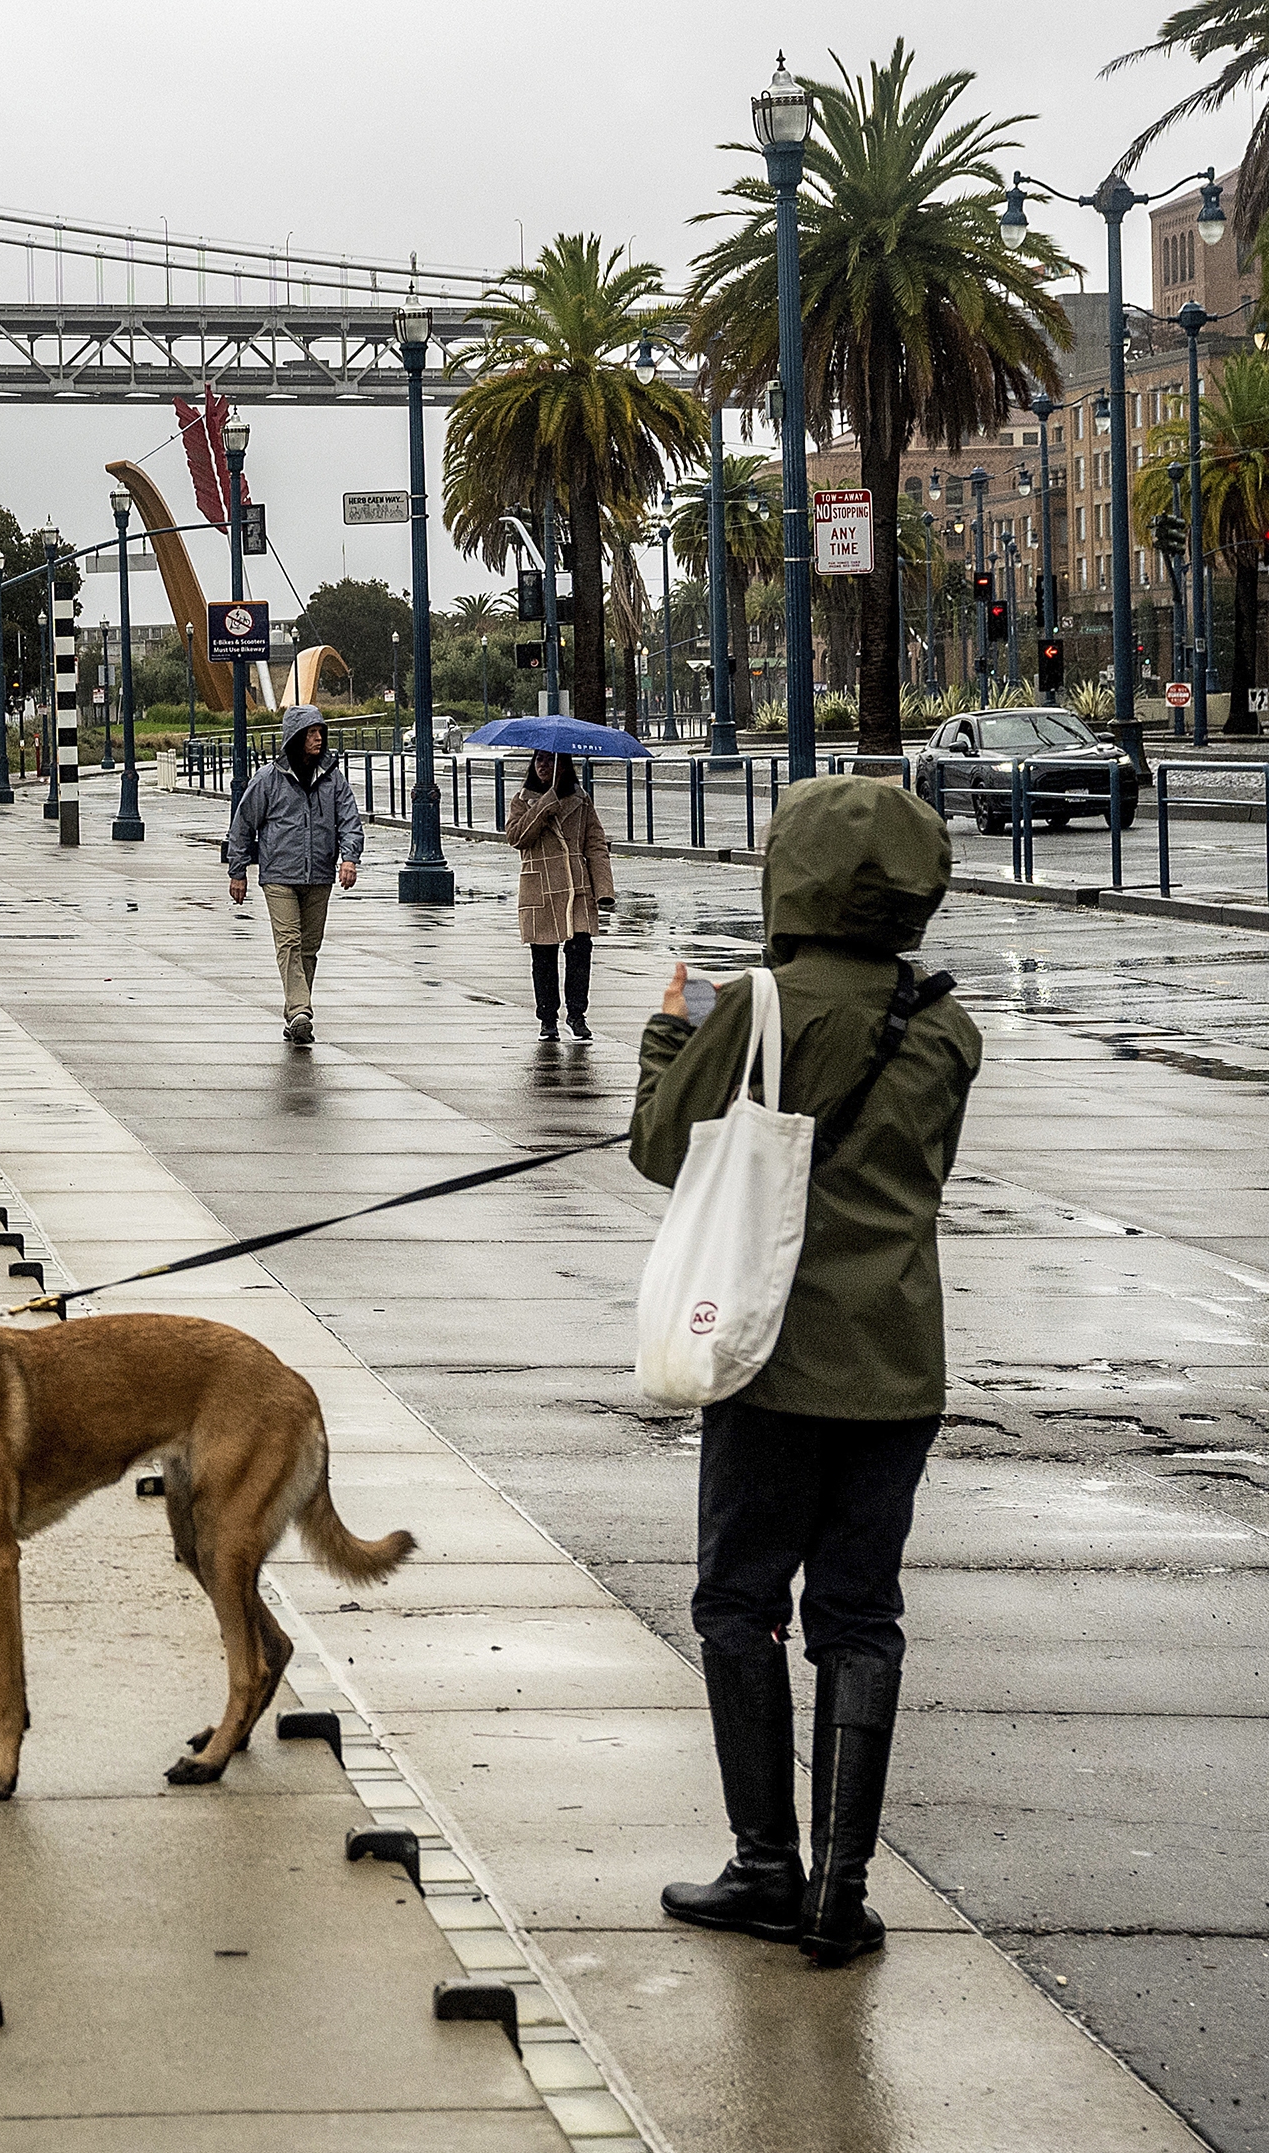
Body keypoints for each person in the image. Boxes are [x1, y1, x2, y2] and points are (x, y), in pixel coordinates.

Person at [635, 774, 980, 1970]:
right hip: (899, 1364)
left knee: (737, 1603)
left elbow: (656, 1149)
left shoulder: (762, 1005)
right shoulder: (944, 1023)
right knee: (859, 1615)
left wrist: (668, 1036)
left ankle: (765, 1865)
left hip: (769, 1356)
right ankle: (842, 1890)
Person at [222, 704, 362, 1047]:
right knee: (289, 942)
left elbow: (349, 820)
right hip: (279, 875)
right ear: (295, 738)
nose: (318, 739)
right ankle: (301, 1010)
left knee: (309, 948)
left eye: (320, 733)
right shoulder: (268, 780)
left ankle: (294, 1016)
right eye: (311, 733)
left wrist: (350, 859)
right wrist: (237, 871)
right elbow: (242, 827)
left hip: (319, 875)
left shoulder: (333, 779)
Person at [504, 751, 616, 1042]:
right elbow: (517, 837)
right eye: (538, 760)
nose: (543, 765)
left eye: (550, 760)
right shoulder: (522, 800)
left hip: (576, 887)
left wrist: (603, 890)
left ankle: (577, 1016)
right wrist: (544, 806)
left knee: (580, 952)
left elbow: (596, 845)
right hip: (539, 887)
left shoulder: (581, 800)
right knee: (543, 957)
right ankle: (548, 1019)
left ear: (564, 765)